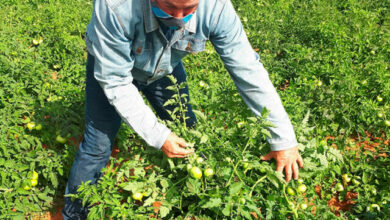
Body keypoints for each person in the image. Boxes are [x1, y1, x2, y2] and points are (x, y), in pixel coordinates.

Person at [62, 0, 304, 219]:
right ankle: (73, 214)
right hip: (111, 68)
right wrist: (159, 135)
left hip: (164, 68)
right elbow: (115, 81)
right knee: (97, 146)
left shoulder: (216, 7)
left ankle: (192, 194)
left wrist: (283, 138)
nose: (179, 18)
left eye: (190, 9)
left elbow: (248, 70)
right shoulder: (115, 6)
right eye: (169, 6)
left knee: (187, 128)